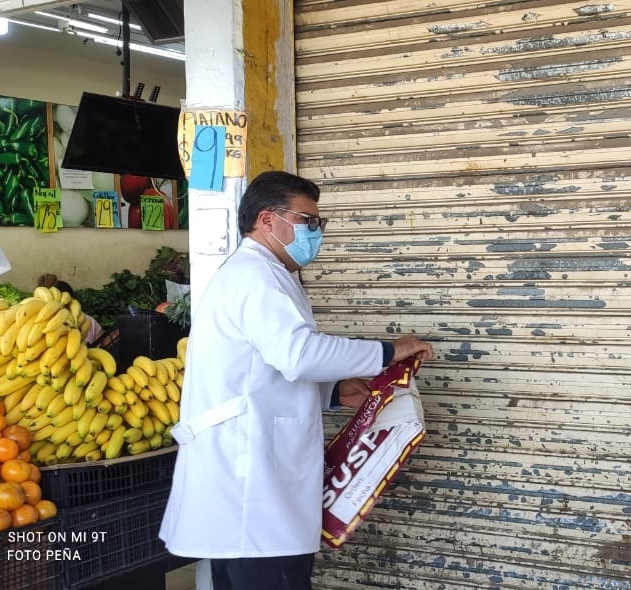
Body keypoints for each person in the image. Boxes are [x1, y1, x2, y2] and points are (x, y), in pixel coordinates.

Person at [158, 171, 433, 590]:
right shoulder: (254, 275)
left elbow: (264, 367)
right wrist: (388, 351)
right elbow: (298, 354)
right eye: (307, 221)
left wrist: (333, 391)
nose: (315, 232)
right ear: (267, 219)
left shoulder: (270, 273)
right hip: (251, 488)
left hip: (258, 484)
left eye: (319, 222)